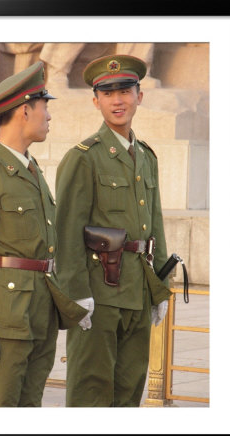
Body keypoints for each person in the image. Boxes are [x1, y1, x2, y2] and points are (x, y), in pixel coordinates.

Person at [0, 61, 87, 407]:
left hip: (38, 317)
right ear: (25, 110)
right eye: (45, 108)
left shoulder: (32, 171)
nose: (49, 117)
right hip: (4, 322)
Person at [55, 54, 172, 407]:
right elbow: (66, 231)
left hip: (137, 291)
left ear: (140, 95)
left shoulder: (146, 156)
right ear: (96, 101)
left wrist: (161, 286)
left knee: (128, 393)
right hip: (99, 294)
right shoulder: (84, 157)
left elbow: (156, 223)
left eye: (125, 90)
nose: (117, 100)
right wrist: (76, 294)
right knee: (91, 393)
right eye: (108, 93)